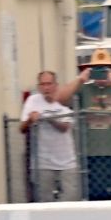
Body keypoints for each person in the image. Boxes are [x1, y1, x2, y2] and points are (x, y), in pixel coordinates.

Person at [56, 50, 111, 201]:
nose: (101, 73)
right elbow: (61, 99)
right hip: (92, 155)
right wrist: (80, 79)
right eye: (97, 69)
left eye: (105, 69)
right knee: (96, 198)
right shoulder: (83, 89)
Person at [19, 70, 79, 201]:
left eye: (49, 84)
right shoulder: (33, 101)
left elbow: (65, 127)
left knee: (71, 198)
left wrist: (47, 118)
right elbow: (22, 128)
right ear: (39, 86)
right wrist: (30, 119)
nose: (46, 88)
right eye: (43, 84)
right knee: (44, 201)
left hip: (67, 161)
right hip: (43, 162)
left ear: (56, 85)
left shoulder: (63, 99)